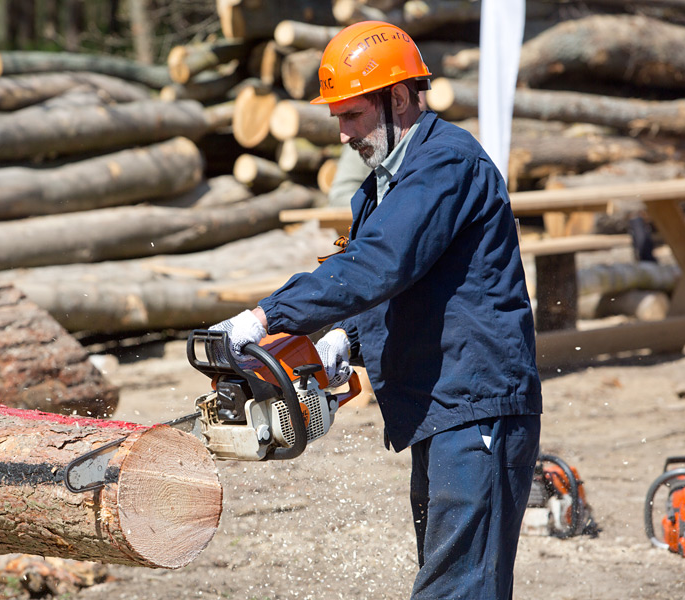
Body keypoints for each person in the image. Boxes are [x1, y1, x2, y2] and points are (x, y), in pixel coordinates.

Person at [211, 21, 542, 599]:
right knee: (448, 579)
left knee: (457, 589)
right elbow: (407, 282)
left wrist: (264, 318)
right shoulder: (385, 185)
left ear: (398, 98)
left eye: (352, 115)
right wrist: (345, 339)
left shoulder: (446, 164)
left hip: (477, 403)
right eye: (336, 117)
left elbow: (379, 264)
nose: (342, 134)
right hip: (442, 407)